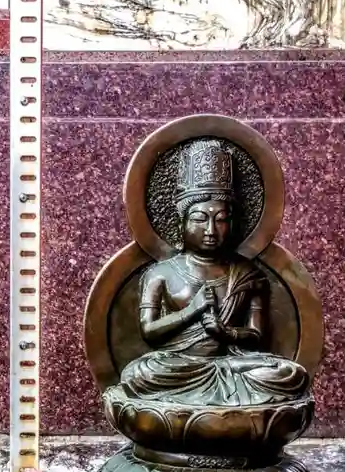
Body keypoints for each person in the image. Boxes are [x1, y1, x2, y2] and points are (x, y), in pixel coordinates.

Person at [118, 139, 309, 405]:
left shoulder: (248, 274)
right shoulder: (160, 273)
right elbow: (149, 331)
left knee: (288, 374)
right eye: (199, 219)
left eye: (221, 220)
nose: (210, 230)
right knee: (139, 373)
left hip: (232, 364)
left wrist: (227, 334)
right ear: (181, 224)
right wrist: (191, 310)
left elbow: (256, 335)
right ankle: (227, 402)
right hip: (179, 366)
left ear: (232, 224)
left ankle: (214, 401)